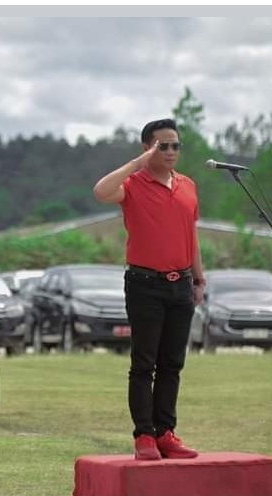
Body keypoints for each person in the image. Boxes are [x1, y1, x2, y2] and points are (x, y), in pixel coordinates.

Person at [92, 118, 205, 461]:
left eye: (175, 146)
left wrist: (198, 278)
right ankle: (144, 435)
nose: (170, 152)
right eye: (162, 146)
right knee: (144, 364)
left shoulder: (187, 185)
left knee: (172, 364)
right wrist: (138, 163)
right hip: (145, 284)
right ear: (147, 148)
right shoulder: (132, 184)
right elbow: (100, 191)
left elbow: (191, 235)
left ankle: (165, 432)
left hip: (180, 283)